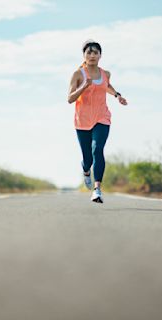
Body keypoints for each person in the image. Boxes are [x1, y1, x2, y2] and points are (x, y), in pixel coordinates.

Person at [67, 40, 128, 203]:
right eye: (89, 52)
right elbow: (70, 99)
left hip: (102, 118)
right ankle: (86, 170)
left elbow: (106, 86)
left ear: (100, 55)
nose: (92, 55)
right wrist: (84, 87)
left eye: (95, 52)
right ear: (84, 55)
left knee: (97, 149)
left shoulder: (105, 74)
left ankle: (97, 189)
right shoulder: (78, 74)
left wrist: (117, 96)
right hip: (83, 121)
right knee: (88, 159)